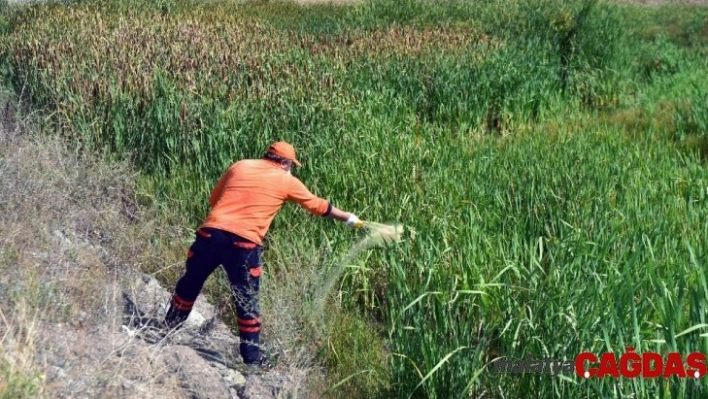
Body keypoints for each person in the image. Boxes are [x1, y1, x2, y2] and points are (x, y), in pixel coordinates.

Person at [162, 141, 364, 370]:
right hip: (243, 244)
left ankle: (167, 330)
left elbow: (213, 199)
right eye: (292, 165)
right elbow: (317, 206)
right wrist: (348, 218)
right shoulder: (287, 180)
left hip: (211, 234)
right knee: (247, 302)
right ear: (286, 163)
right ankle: (252, 361)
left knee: (190, 283)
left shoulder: (240, 166)